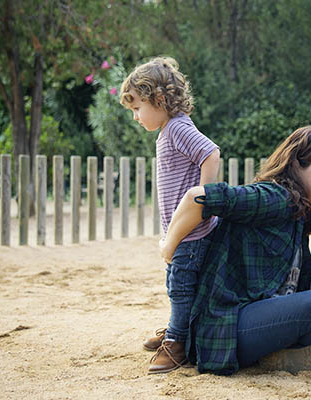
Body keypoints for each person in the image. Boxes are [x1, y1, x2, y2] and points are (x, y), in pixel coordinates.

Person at [159, 126, 311, 376]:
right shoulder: (273, 197)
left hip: (262, 307)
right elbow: (197, 197)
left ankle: (290, 351)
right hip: (226, 326)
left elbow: (308, 282)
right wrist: (168, 247)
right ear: (296, 166)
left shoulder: (298, 212)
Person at [119, 57, 221, 374]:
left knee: (180, 284)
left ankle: (176, 342)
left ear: (159, 100)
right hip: (181, 229)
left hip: (192, 229)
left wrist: (204, 199)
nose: (135, 116)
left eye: (138, 108)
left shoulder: (177, 127)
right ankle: (178, 328)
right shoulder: (168, 129)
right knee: (178, 281)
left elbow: (211, 152)